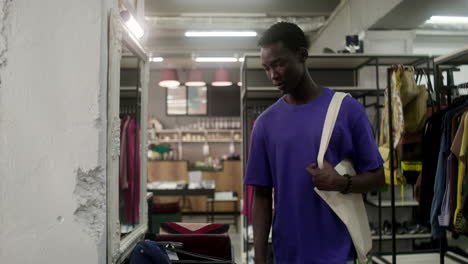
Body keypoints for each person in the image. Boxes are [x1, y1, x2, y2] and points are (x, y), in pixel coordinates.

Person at [244, 22, 385, 264]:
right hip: (287, 253)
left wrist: (341, 182)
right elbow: (262, 195)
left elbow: (378, 177)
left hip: (340, 254)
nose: (272, 75)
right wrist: (259, 259)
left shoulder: (347, 110)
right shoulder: (265, 124)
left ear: (302, 55)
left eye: (278, 64)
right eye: (266, 68)